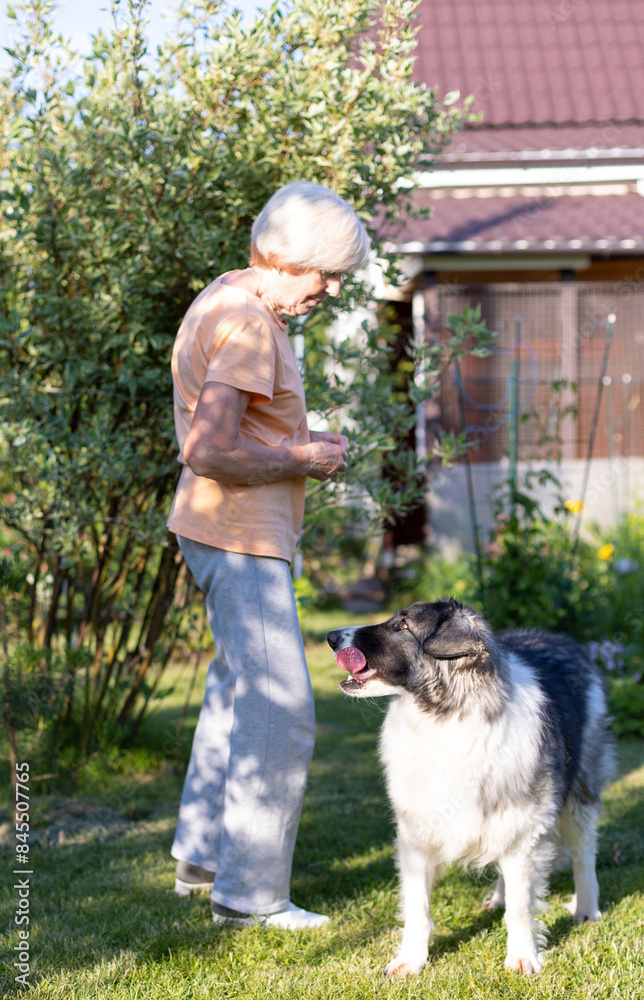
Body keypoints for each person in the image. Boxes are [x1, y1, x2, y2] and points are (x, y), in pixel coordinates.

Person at [166, 181, 370, 929]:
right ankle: (249, 899)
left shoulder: (225, 293)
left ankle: (201, 857)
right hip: (240, 534)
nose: (333, 287)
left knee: (233, 692)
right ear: (282, 258)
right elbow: (208, 448)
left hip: (214, 528)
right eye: (326, 271)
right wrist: (305, 457)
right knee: (280, 710)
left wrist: (293, 453)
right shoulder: (250, 324)